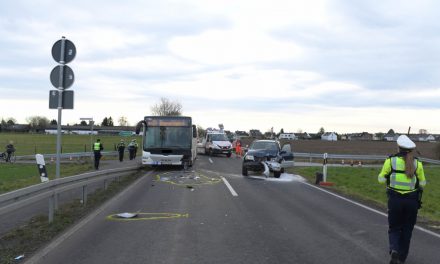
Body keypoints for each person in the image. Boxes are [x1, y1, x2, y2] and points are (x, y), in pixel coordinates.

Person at [378, 135, 426, 264]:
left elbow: (381, 179)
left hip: (395, 200)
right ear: (410, 150)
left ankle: (394, 249)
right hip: (411, 201)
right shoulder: (417, 163)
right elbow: (423, 184)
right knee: (407, 229)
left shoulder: (390, 161)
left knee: (394, 227)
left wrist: (389, 176)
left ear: (398, 147)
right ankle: (402, 258)